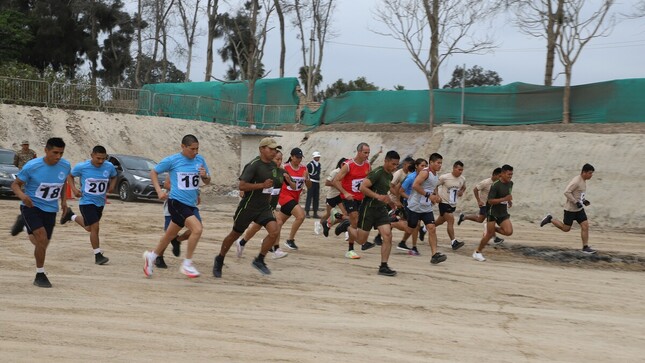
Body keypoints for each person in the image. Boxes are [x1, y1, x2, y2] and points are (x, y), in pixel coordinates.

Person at [142, 134, 211, 278]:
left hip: (191, 204)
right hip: (176, 202)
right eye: (192, 149)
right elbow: (153, 172)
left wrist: (204, 176)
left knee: (169, 235)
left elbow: (207, 181)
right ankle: (187, 264)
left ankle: (152, 256)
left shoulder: (200, 160)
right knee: (197, 229)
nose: (195, 152)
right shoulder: (173, 160)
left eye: (197, 148)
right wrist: (159, 190)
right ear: (183, 147)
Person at [213, 137, 282, 278]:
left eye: (275, 149)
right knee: (234, 235)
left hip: (264, 207)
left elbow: (270, 186)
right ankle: (219, 258)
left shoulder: (273, 166)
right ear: (262, 149)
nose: (274, 152)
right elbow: (242, 186)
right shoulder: (253, 165)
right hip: (248, 208)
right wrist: (262, 185)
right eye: (271, 149)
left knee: (274, 232)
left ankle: (259, 260)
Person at [10, 137, 71, 287]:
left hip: (50, 209)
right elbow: (15, 185)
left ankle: (25, 226)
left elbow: (62, 184)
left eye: (61, 153)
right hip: (31, 207)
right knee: (42, 238)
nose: (58, 157)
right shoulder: (32, 166)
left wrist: (63, 202)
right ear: (46, 150)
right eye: (55, 152)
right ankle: (40, 274)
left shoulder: (65, 165)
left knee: (42, 243)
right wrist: (23, 197)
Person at [235, 149, 296, 259]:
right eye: (277, 159)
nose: (279, 161)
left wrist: (289, 181)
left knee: (256, 227)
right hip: (261, 205)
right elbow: (248, 181)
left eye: (281, 159)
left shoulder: (282, 172)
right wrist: (243, 190)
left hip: (271, 205)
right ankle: (275, 248)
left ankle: (242, 242)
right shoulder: (263, 170)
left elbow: (294, 187)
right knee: (279, 222)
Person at [64, 145, 117, 265]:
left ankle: (70, 215)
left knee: (89, 228)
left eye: (103, 158)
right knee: (96, 227)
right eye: (98, 158)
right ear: (92, 155)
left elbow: (114, 176)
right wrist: (74, 189)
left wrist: (112, 186)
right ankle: (98, 255)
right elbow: (70, 176)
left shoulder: (109, 166)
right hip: (86, 202)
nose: (101, 161)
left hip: (100, 203)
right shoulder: (82, 167)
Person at [356, 150, 401, 276]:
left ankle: (383, 266)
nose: (395, 167)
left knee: (387, 235)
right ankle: (347, 226)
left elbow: (384, 192)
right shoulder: (377, 173)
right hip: (368, 208)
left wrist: (390, 202)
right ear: (386, 161)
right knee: (361, 240)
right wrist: (378, 197)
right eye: (393, 164)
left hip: (381, 210)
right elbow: (363, 187)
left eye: (397, 165)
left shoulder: (390, 176)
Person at [539, 163, 597, 254]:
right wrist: (575, 202)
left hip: (579, 209)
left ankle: (585, 247)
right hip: (570, 209)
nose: (591, 175)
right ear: (584, 172)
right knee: (566, 229)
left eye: (592, 173)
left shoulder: (583, 180)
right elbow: (566, 192)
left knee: (585, 225)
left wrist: (583, 201)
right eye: (590, 173)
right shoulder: (577, 181)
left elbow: (578, 194)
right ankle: (550, 219)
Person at [332, 142, 375, 259]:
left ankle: (344, 225)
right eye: (365, 152)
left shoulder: (367, 165)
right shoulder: (348, 165)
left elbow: (368, 180)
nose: (367, 155)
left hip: (362, 197)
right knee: (355, 221)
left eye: (368, 153)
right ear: (359, 152)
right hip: (349, 198)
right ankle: (350, 250)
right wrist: (345, 193)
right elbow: (335, 181)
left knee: (359, 223)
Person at [405, 153, 447, 265]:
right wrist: (430, 196)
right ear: (431, 162)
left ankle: (434, 255)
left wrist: (435, 197)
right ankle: (391, 224)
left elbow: (432, 188)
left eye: (441, 163)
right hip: (414, 207)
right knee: (409, 229)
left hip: (426, 208)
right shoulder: (425, 172)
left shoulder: (435, 175)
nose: (440, 165)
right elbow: (415, 185)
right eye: (438, 162)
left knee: (432, 228)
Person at [473, 164, 515, 262]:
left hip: (503, 212)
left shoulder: (510, 183)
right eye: (509, 174)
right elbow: (490, 201)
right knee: (488, 235)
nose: (510, 176)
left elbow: (508, 193)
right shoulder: (495, 185)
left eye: (512, 174)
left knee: (509, 232)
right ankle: (477, 252)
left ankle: (490, 229)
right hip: (492, 212)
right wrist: (504, 199)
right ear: (503, 174)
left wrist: (509, 201)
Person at [458, 167, 505, 245]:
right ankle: (494, 238)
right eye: (499, 176)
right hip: (484, 205)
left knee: (480, 219)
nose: (500, 178)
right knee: (490, 221)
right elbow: (475, 189)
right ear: (494, 175)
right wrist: (479, 201)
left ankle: (463, 217)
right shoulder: (486, 182)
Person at [155, 177, 194, 268]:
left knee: (195, 229)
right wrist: (181, 190)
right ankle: (159, 257)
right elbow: (166, 184)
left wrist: (197, 194)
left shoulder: (193, 166)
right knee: (168, 235)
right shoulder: (175, 164)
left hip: (188, 205)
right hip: (173, 205)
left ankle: (177, 240)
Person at [277, 147, 312, 250]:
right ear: (291, 157)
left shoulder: (304, 168)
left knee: (278, 223)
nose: (299, 159)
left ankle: (269, 240)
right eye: (297, 157)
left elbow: (309, 186)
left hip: (295, 198)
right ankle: (290, 240)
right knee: (301, 216)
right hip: (285, 197)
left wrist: (307, 178)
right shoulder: (285, 167)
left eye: (301, 157)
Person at [398, 158, 429, 255]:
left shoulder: (425, 177)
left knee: (412, 225)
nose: (424, 168)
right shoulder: (411, 178)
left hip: (420, 204)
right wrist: (410, 198)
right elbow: (401, 191)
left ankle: (402, 242)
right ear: (416, 166)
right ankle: (414, 247)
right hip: (409, 204)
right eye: (422, 166)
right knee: (415, 225)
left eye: (425, 166)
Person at [434, 160, 467, 250]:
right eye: (459, 169)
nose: (460, 172)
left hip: (453, 203)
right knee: (451, 220)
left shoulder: (462, 179)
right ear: (454, 168)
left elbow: (464, 187)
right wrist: (436, 195)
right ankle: (454, 242)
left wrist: (461, 191)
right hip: (443, 202)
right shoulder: (445, 177)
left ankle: (424, 229)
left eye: (462, 170)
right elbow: (435, 185)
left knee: (440, 221)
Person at [319, 157, 349, 237]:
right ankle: (320, 224)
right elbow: (327, 183)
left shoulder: (345, 173)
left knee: (345, 213)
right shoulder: (335, 172)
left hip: (339, 196)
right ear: (341, 164)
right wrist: (337, 184)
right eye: (344, 164)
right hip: (332, 196)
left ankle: (346, 230)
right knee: (328, 214)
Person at [305, 151, 322, 219]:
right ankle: (307, 212)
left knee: (316, 198)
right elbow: (306, 173)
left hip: (317, 182)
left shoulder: (319, 164)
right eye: (316, 157)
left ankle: (315, 212)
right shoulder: (310, 164)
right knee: (309, 197)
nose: (318, 158)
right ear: (314, 157)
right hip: (311, 182)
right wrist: (307, 181)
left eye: (318, 157)